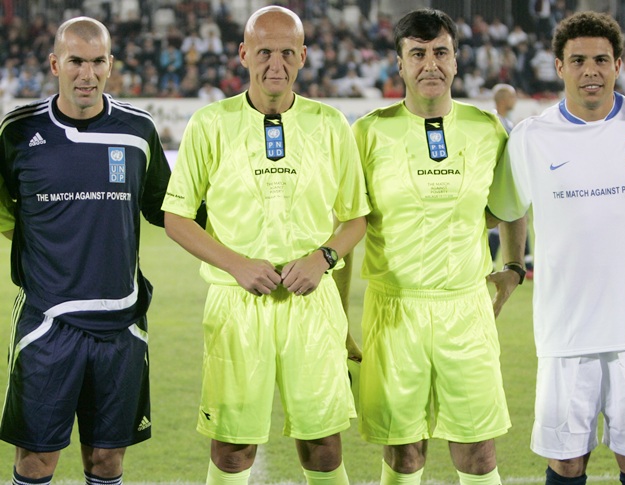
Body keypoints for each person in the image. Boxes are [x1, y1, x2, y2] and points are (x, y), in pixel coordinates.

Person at [161, 6, 369, 485]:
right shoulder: (210, 123)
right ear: (243, 54)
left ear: (303, 57)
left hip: (311, 304)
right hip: (237, 304)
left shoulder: (330, 124)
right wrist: (236, 266)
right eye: (264, 52)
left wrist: (324, 258)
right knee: (232, 447)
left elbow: (356, 217)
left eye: (286, 53)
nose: (275, 64)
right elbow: (176, 217)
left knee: (322, 444)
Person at [488, 11, 625, 485]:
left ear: (618, 65)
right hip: (565, 330)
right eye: (579, 60)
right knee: (566, 462)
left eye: (601, 60)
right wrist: (511, 266)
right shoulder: (532, 137)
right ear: (559, 66)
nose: (591, 70)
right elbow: (505, 208)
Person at [352, 8, 526, 485]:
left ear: (456, 60)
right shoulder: (367, 132)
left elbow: (512, 203)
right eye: (418, 54)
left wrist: (513, 266)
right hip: (394, 311)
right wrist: (335, 311)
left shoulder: (487, 129)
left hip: (465, 308)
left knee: (478, 451)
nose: (431, 64)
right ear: (400, 63)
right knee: (404, 452)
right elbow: (346, 225)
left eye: (441, 53)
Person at [0, 16, 171, 485]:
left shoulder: (138, 132)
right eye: (76, 61)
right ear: (56, 63)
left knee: (107, 462)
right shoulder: (18, 134)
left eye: (98, 62)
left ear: (111, 65)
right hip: (47, 325)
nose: (87, 74)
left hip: (121, 325)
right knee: (36, 461)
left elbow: (167, 211)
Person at [489, 84, 534, 277]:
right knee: (499, 225)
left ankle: (526, 265)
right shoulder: (495, 123)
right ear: (503, 99)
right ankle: (493, 264)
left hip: (510, 186)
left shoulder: (506, 122)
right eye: (512, 97)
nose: (515, 101)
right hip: (499, 186)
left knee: (513, 222)